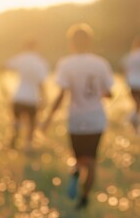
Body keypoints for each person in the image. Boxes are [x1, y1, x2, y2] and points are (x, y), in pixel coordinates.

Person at [42, 23, 113, 209]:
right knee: (91, 161)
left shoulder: (66, 64)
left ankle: (75, 173)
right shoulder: (101, 63)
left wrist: (48, 119)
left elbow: (61, 94)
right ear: (90, 42)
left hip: (76, 119)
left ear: (72, 43)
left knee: (79, 158)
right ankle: (84, 198)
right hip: (96, 119)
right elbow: (108, 93)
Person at [0, 39, 49, 150]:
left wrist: (3, 87)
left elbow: (2, 67)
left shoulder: (20, 58)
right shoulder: (40, 62)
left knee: (16, 124)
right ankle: (28, 147)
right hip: (32, 98)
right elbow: (41, 83)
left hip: (19, 96)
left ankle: (13, 147)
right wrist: (44, 98)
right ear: (36, 47)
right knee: (31, 126)